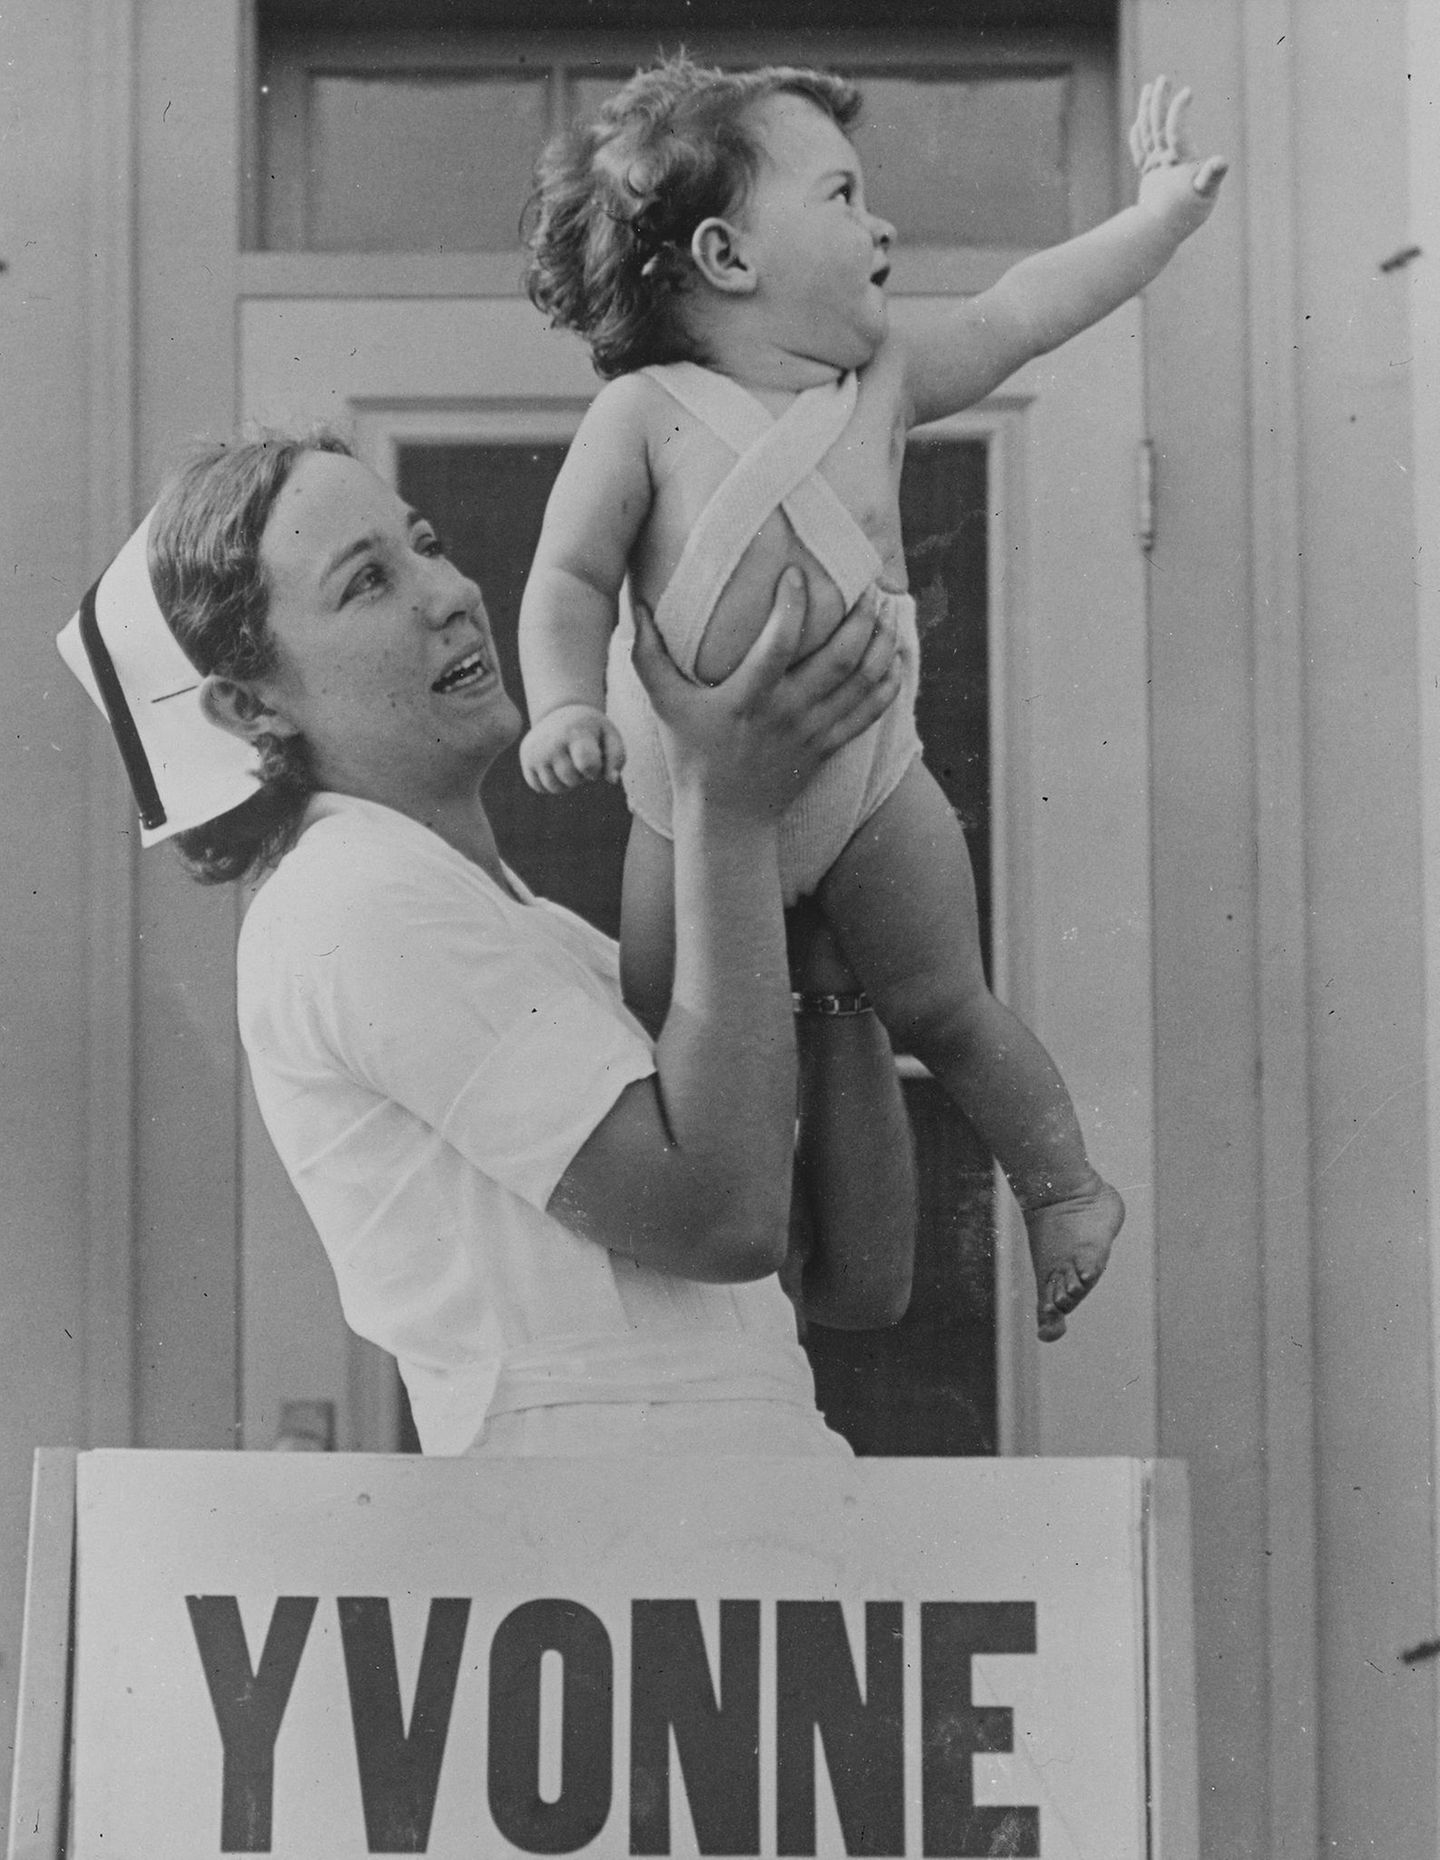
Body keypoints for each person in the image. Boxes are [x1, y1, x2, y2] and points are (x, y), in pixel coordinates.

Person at [518, 59, 1227, 1341]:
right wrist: (564, 704)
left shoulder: (883, 379)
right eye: (843, 195)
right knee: (664, 1029)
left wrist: (1161, 215)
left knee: (949, 1003)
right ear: (727, 254)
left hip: (868, 779)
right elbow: (567, 579)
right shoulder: (639, 416)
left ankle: (1064, 1187)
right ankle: (749, 1242)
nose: (883, 224)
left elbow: (1023, 311)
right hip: (684, 811)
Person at [57, 433, 914, 1458]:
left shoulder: (533, 932)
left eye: (426, 544)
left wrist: (828, 965)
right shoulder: (351, 900)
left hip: (732, 1531)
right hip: (590, 1533)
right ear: (249, 704)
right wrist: (725, 805)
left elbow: (856, 1277)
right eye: (369, 581)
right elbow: (723, 1221)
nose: (451, 592)